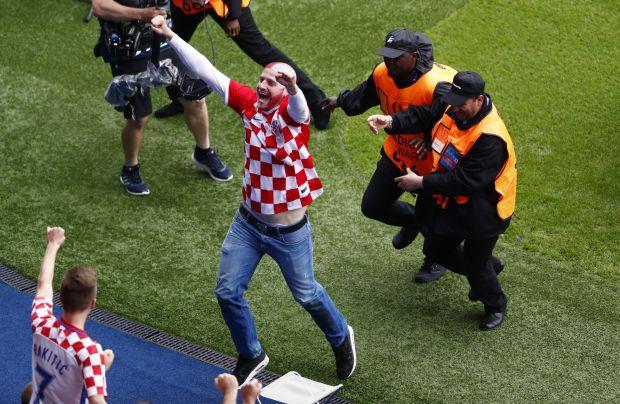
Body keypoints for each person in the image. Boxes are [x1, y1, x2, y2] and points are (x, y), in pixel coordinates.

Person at [150, 15, 356, 385]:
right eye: (262, 79)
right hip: (247, 223)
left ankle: (341, 337)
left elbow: (301, 109)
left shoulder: (293, 118)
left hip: (288, 234)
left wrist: (294, 89)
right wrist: (169, 35)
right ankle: (251, 353)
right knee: (227, 292)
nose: (262, 85)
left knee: (306, 295)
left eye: (272, 82)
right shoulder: (248, 103)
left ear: (284, 91)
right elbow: (207, 70)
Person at [367, 71, 517, 330]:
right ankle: (489, 268)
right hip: (450, 200)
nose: (454, 108)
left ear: (478, 100)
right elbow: (423, 116)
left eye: (461, 104)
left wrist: (420, 182)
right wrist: (390, 121)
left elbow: (466, 181)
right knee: (436, 248)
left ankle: (495, 304)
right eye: (453, 102)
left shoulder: (491, 137)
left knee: (476, 262)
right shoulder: (453, 105)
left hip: (484, 209)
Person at [320, 29, 457, 283]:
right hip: (399, 154)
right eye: (386, 56)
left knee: (434, 222)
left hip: (433, 167)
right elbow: (363, 96)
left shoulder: (438, 85)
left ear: (414, 55)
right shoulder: (383, 73)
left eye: (396, 58)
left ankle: (436, 259)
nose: (389, 62)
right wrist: (339, 101)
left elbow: (458, 124)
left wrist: (430, 139)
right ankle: (414, 221)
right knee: (372, 206)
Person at [92, 0, 233, 196]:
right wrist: (143, 14)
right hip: (130, 47)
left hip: (166, 36)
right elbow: (100, 7)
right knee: (139, 116)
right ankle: (130, 168)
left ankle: (204, 151)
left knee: (194, 97)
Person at [154, 0, 332, 130]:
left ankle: (317, 102)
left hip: (226, 5)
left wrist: (234, 15)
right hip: (186, 6)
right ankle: (181, 99)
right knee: (169, 47)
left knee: (261, 50)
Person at [26, 227, 114, 403]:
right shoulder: (89, 351)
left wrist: (53, 243)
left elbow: (43, 284)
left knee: (28, 392)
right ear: (93, 304)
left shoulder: (41, 323)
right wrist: (99, 368)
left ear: (60, 297)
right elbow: (96, 401)